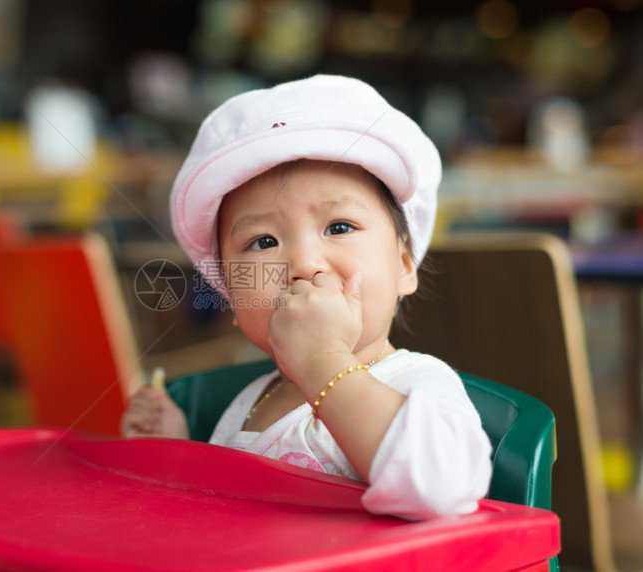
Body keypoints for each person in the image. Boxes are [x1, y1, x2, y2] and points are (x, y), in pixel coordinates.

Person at [121, 75, 492, 520]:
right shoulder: (247, 403)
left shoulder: (415, 386)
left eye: (339, 227)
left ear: (404, 265)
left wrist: (323, 361)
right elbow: (216, 524)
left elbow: (441, 488)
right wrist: (174, 452)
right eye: (262, 242)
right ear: (231, 295)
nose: (302, 262)